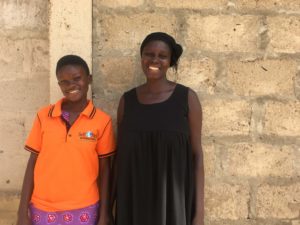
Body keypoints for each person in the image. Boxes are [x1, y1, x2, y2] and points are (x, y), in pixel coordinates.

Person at [115, 32, 204, 225]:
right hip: (134, 204)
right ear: (142, 58)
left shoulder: (187, 99)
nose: (154, 60)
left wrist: (199, 215)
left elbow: (197, 157)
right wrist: (109, 208)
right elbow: (119, 158)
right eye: (149, 54)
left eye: (162, 56)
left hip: (173, 205)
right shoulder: (126, 101)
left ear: (170, 61)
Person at [17, 55, 116, 225]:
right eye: (64, 81)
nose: (71, 85)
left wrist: (105, 213)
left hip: (85, 208)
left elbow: (105, 170)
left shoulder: (101, 120)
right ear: (59, 85)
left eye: (77, 78)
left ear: (89, 79)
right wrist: (21, 211)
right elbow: (33, 162)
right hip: (42, 208)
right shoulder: (44, 116)